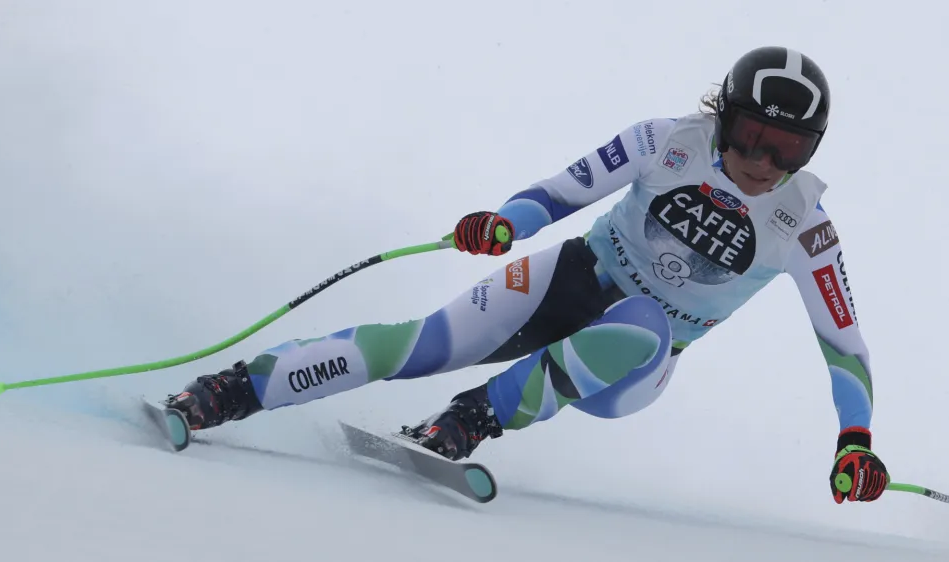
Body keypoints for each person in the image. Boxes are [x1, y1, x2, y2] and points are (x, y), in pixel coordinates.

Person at [163, 46, 889, 504]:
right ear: (724, 118)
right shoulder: (664, 141)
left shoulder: (808, 228)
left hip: (637, 361)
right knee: (418, 344)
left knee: (643, 324)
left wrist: (853, 440)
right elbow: (558, 193)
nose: (763, 163)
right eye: (753, 138)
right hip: (573, 277)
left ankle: (470, 420)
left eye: (787, 148)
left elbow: (843, 347)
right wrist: (505, 222)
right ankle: (228, 391)